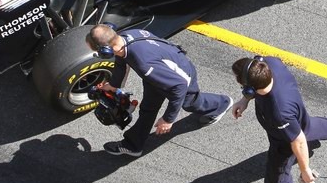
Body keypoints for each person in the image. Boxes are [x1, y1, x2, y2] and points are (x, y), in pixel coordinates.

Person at [86, 24, 233, 158]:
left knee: (190, 104)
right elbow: (121, 63)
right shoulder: (125, 37)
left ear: (107, 51)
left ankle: (222, 104)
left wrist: (168, 119)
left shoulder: (143, 63)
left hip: (180, 76)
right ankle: (133, 145)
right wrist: (112, 85)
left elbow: (179, 86)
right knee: (148, 108)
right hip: (158, 72)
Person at [231, 56, 327, 183]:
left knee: (275, 182)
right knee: (308, 126)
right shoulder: (269, 63)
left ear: (250, 89)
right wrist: (244, 100)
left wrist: (305, 171)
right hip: (297, 114)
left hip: (283, 141)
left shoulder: (278, 113)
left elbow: (298, 141)